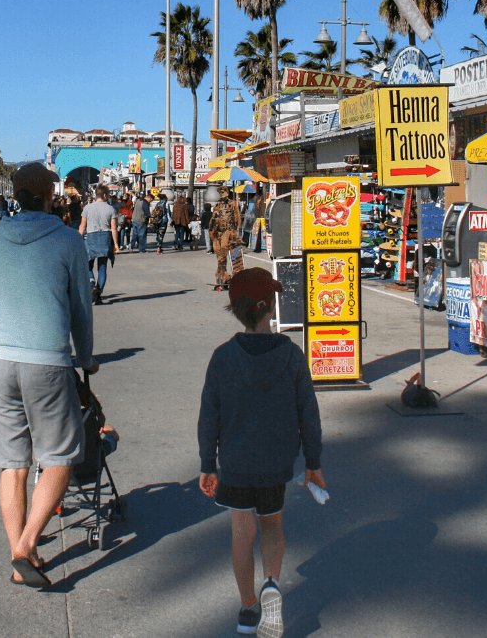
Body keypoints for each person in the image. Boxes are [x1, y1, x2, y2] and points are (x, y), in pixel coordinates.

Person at [0, 162, 97, 589]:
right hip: (45, 359)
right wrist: (85, 357)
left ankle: (18, 560)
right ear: (50, 195)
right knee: (60, 457)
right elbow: (81, 308)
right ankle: (26, 545)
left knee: (13, 464)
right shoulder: (67, 240)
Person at [198, 268, 324, 638]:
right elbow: (308, 413)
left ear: (234, 310)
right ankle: (271, 582)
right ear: (270, 307)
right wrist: (313, 463)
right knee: (272, 525)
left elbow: (210, 415)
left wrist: (208, 463)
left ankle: (248, 607)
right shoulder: (291, 354)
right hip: (276, 461)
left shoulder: (222, 357)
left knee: (242, 532)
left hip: (235, 462)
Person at [79, 184, 119, 305]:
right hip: (105, 238)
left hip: (90, 237)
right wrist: (116, 244)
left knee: (87, 265)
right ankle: (98, 294)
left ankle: (92, 285)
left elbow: (82, 226)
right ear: (105, 195)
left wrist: (78, 239)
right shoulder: (111, 209)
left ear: (96, 195)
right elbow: (114, 228)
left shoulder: (87, 208)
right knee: (102, 267)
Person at [209, 186, 242, 290]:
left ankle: (238, 279)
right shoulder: (217, 206)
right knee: (221, 259)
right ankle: (223, 278)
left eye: (223, 192)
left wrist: (234, 232)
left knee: (236, 258)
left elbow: (237, 219)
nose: (222, 194)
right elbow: (213, 222)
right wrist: (213, 234)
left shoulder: (232, 204)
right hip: (220, 236)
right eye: (220, 192)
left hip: (230, 235)